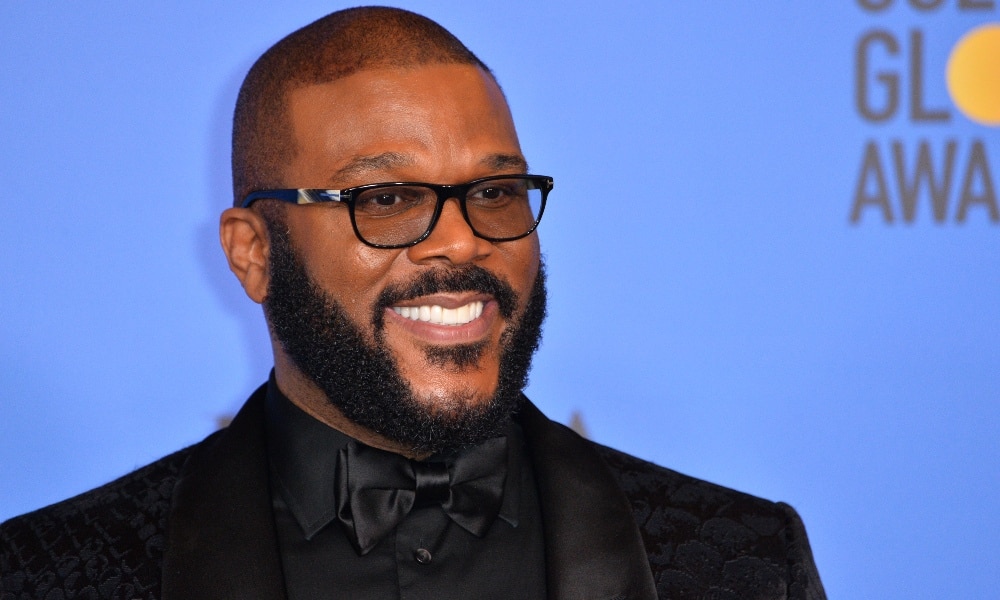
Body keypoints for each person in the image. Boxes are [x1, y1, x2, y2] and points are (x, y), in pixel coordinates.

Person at [0, 7, 826, 599]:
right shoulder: (49, 573)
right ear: (252, 254)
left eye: (495, 191)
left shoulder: (747, 562)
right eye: (387, 198)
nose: (463, 242)